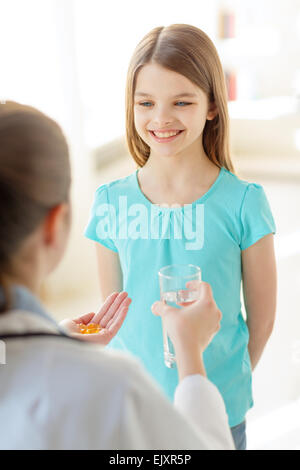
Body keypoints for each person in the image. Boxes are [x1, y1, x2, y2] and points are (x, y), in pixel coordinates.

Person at [84, 24, 277, 450]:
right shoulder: (110, 203)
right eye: (146, 103)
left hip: (218, 412)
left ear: (211, 105)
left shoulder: (244, 203)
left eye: (182, 102)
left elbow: (261, 318)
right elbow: (113, 320)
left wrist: (220, 386)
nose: (161, 118)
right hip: (137, 410)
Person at [0, 101, 234, 450]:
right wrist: (189, 353)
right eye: (145, 102)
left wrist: (54, 343)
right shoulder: (113, 389)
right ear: (53, 225)